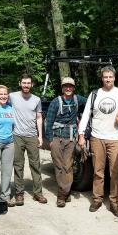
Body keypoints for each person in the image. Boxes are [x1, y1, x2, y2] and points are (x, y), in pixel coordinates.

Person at [78, 66, 118, 217]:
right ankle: (97, 199)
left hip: (115, 139)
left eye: (110, 77)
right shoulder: (95, 94)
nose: (108, 79)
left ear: (114, 78)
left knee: (115, 173)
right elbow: (86, 115)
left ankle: (114, 202)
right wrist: (81, 135)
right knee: (98, 171)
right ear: (102, 78)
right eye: (105, 77)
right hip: (96, 137)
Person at [45, 77, 87, 207]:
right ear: (62, 88)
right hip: (57, 138)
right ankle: (64, 193)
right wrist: (50, 140)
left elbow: (91, 101)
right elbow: (49, 122)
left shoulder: (77, 99)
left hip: (70, 139)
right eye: (65, 86)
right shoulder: (55, 102)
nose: (68, 88)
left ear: (73, 88)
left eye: (70, 86)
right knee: (59, 166)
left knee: (68, 166)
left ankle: (63, 194)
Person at [11, 74, 47, 205]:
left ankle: (38, 193)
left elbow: (39, 118)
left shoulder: (36, 99)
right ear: (20, 83)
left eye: (28, 83)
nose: (26, 85)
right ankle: (19, 193)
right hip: (17, 135)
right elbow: (0, 103)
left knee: (36, 165)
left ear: (32, 85)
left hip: (32, 136)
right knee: (18, 165)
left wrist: (40, 136)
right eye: (24, 83)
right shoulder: (12, 96)